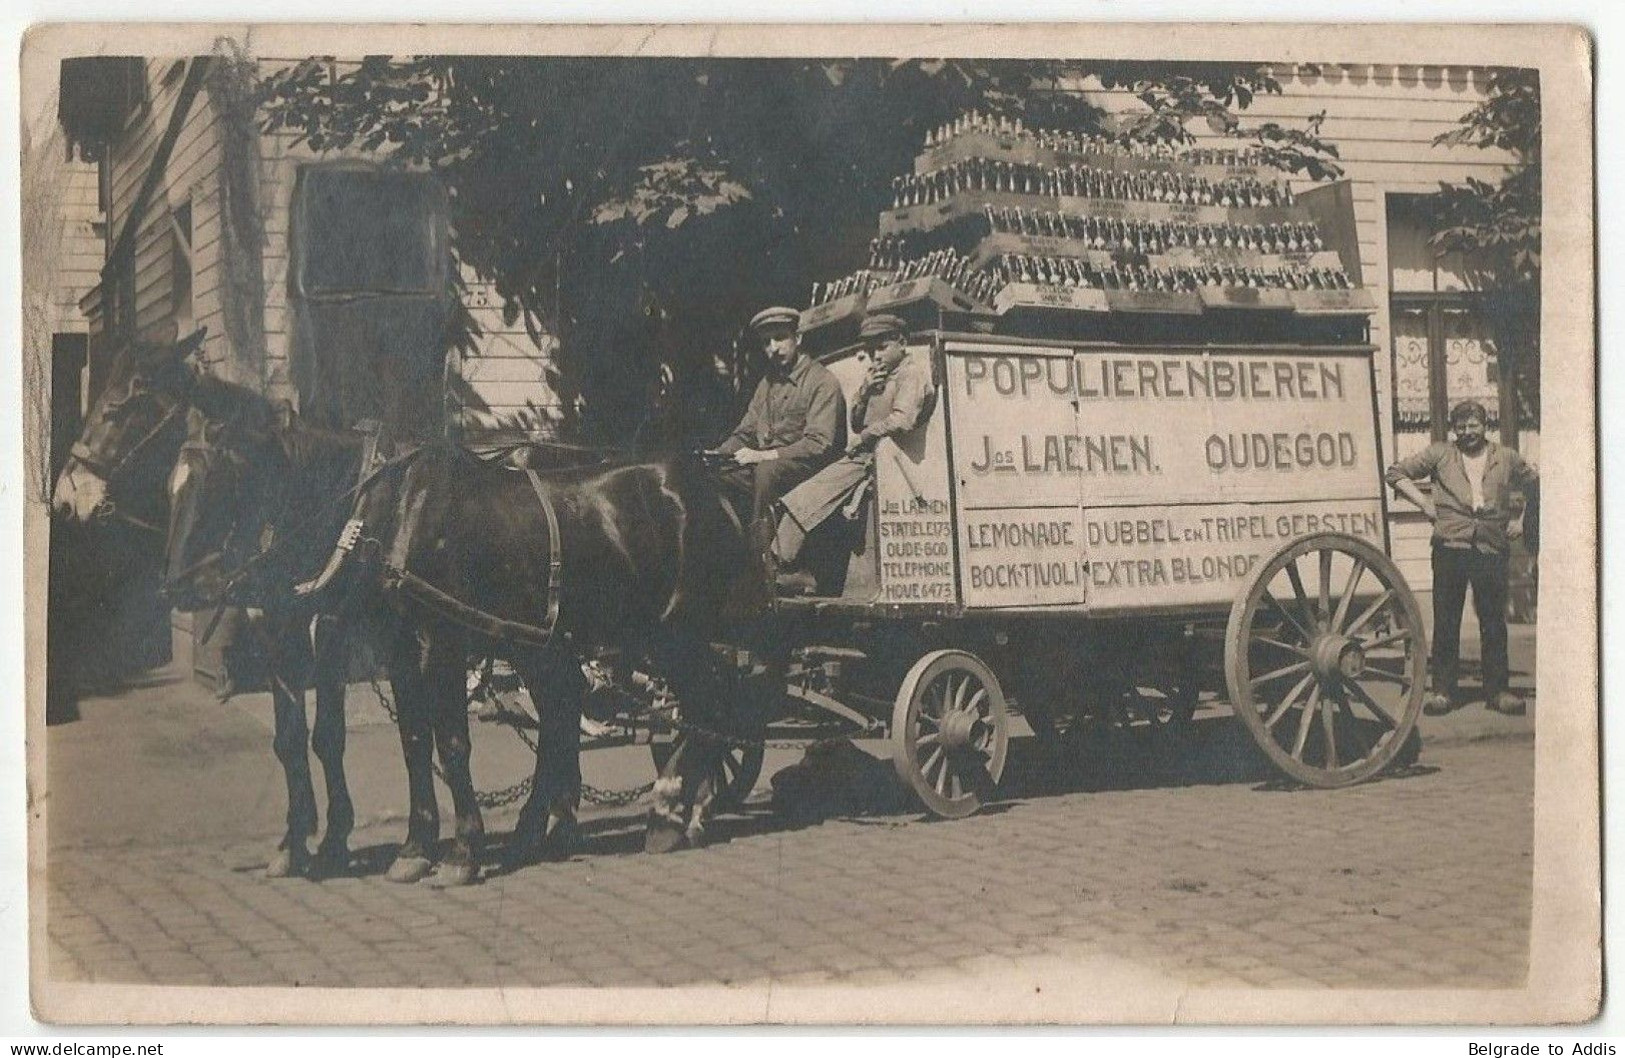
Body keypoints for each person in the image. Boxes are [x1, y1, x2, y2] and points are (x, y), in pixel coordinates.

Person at [1385, 399, 1538, 716]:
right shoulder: (1440, 454)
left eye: (1474, 425)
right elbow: (1396, 474)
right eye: (1462, 426)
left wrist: (1521, 521)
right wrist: (1425, 505)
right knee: (1446, 620)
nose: (1468, 432)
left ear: (1485, 426)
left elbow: (1535, 483)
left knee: (1493, 621)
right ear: (1454, 429)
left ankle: (1498, 691)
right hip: (1450, 546)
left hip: (1491, 547)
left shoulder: (1506, 457)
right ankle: (1443, 691)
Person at [772, 313, 936, 581]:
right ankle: (789, 563)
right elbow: (857, 422)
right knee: (806, 493)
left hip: (882, 461)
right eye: (870, 349)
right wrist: (864, 394)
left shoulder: (910, 375)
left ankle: (782, 561)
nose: (875, 356)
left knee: (809, 496)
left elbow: (903, 420)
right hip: (868, 456)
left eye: (882, 347)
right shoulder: (880, 376)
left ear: (902, 342)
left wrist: (865, 436)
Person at [713, 306, 846, 543]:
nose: (773, 348)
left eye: (780, 337)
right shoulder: (768, 382)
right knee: (717, 470)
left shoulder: (821, 382)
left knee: (767, 472)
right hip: (772, 471)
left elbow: (819, 444)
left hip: (813, 472)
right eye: (766, 342)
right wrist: (718, 454)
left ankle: (766, 555)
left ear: (798, 338)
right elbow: (746, 432)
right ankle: (729, 542)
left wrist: (766, 456)